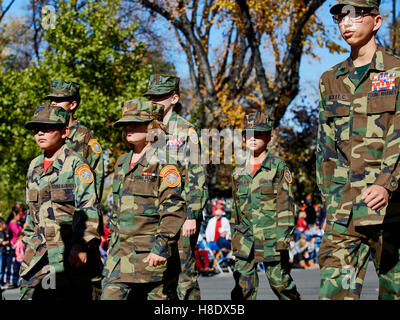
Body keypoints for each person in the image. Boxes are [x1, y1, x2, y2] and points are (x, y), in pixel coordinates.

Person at [317, 0, 400, 299]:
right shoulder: (330, 79)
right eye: (340, 17)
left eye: (355, 15)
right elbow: (325, 148)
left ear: (376, 21)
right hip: (344, 213)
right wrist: (329, 200)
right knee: (334, 294)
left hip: (391, 211)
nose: (346, 23)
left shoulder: (397, 72)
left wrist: (386, 184)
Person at [101, 98, 186, 300]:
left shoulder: (165, 162)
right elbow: (117, 209)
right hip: (119, 257)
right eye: (125, 124)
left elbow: (173, 209)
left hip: (151, 257)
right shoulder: (122, 162)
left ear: (152, 127)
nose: (128, 128)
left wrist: (161, 247)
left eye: (136, 123)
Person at [20, 104, 102, 300]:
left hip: (69, 254)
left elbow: (88, 207)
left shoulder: (76, 164)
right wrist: (24, 240)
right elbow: (32, 212)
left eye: (47, 128)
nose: (40, 133)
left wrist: (81, 245)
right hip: (38, 253)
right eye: (36, 130)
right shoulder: (34, 166)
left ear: (64, 131)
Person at [144, 74, 208, 300]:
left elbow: (196, 174)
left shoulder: (185, 130)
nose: (155, 102)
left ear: (174, 98)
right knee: (159, 275)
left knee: (184, 274)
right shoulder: (149, 129)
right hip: (155, 211)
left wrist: (192, 214)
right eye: (152, 97)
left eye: (160, 97)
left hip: (181, 211)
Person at [230, 112, 301, 300]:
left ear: (269, 137)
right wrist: (234, 241)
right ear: (244, 137)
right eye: (249, 134)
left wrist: (283, 241)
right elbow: (235, 211)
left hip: (271, 239)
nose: (253, 138)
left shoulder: (278, 167)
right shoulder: (238, 170)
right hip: (245, 240)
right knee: (242, 289)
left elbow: (286, 206)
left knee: (281, 284)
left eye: (259, 134)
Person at [45, 80, 104, 203]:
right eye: (51, 100)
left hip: (74, 210)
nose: (53, 103)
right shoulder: (48, 134)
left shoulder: (84, 136)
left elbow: (96, 177)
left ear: (72, 105)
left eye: (59, 100)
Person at [0, 218, 10, 288]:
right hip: (0, 252)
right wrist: (4, 242)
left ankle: (2, 282)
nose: (5, 225)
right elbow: (2, 242)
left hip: (4, 252)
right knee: (0, 269)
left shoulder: (4, 232)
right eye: (4, 224)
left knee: (3, 268)